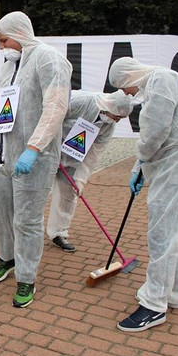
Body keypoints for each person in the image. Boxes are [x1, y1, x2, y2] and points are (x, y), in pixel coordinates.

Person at [0, 11, 72, 308]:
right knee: (0, 211)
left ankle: (27, 277)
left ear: (18, 33)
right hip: (2, 156)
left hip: (34, 160)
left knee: (27, 221)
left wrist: (35, 148)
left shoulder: (48, 59)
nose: (1, 47)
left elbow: (56, 107)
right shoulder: (9, 66)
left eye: (3, 40)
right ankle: (8, 258)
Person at [108, 57, 178, 332]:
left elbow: (154, 133)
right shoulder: (167, 79)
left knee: (163, 234)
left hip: (177, 166)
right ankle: (174, 293)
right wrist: (140, 165)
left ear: (129, 76)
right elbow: (161, 132)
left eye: (123, 88)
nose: (127, 94)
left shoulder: (160, 81)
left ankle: (154, 305)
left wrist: (140, 160)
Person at [47, 90, 134, 252]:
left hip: (72, 157)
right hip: (48, 151)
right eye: (116, 116)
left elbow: (94, 153)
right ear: (109, 107)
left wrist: (80, 179)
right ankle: (28, 229)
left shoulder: (108, 126)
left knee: (68, 195)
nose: (116, 121)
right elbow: (50, 119)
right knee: (37, 191)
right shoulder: (80, 102)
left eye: (120, 119)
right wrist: (50, 149)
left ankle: (58, 232)